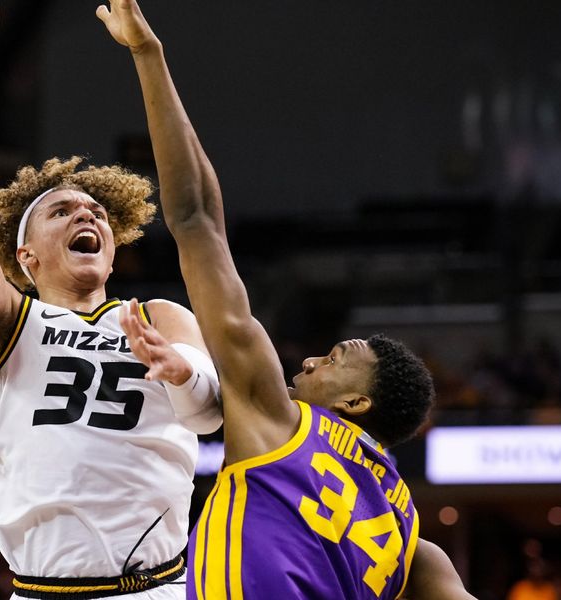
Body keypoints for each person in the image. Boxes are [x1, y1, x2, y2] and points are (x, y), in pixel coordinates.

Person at [106, 0, 478, 598]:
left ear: (356, 402)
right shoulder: (413, 543)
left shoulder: (279, 417)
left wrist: (149, 56)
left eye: (331, 360)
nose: (306, 361)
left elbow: (196, 218)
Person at [0, 4, 223, 599]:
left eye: (96, 213)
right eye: (62, 210)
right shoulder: (6, 324)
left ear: (112, 252)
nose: (86, 212)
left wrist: (180, 369)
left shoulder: (159, 317)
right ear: (25, 255)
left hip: (159, 588)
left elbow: (210, 413)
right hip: (41, 592)